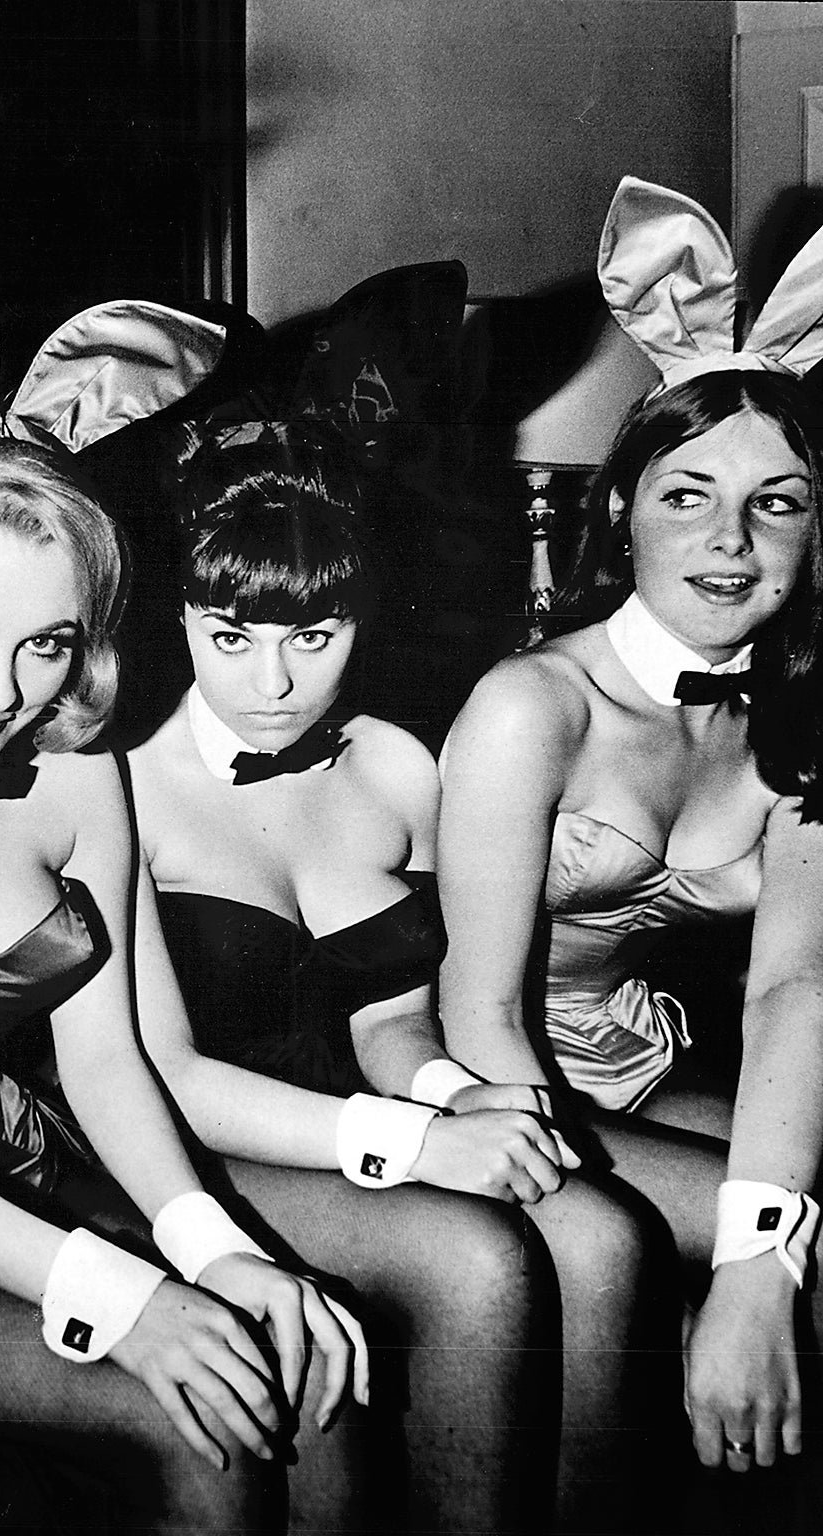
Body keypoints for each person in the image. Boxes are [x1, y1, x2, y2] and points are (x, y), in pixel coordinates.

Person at [0, 291, 368, 1536]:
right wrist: (124, 1298)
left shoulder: (73, 772)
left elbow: (105, 1062)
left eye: (45, 643)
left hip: (47, 1169)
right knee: (199, 1417)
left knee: (280, 1337)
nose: (2, 692)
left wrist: (207, 1248)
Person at [124, 440, 661, 1532]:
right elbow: (161, 1075)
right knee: (477, 1263)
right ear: (177, 619)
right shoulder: (120, 787)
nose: (272, 683)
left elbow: (391, 1018)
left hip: (355, 1115)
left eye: (312, 636)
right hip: (179, 1143)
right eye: (229, 637)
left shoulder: (394, 764)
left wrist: (452, 1095)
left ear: (360, 622)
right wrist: (411, 1141)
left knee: (602, 1237)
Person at [438, 176, 823, 1476]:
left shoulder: (799, 715)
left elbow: (792, 987)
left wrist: (761, 1261)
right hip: (474, 1072)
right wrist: (729, 1246)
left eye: (777, 501)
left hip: (631, 1062)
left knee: (793, 1234)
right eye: (687, 495)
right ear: (617, 508)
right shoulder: (530, 708)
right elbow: (477, 1008)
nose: (731, 540)